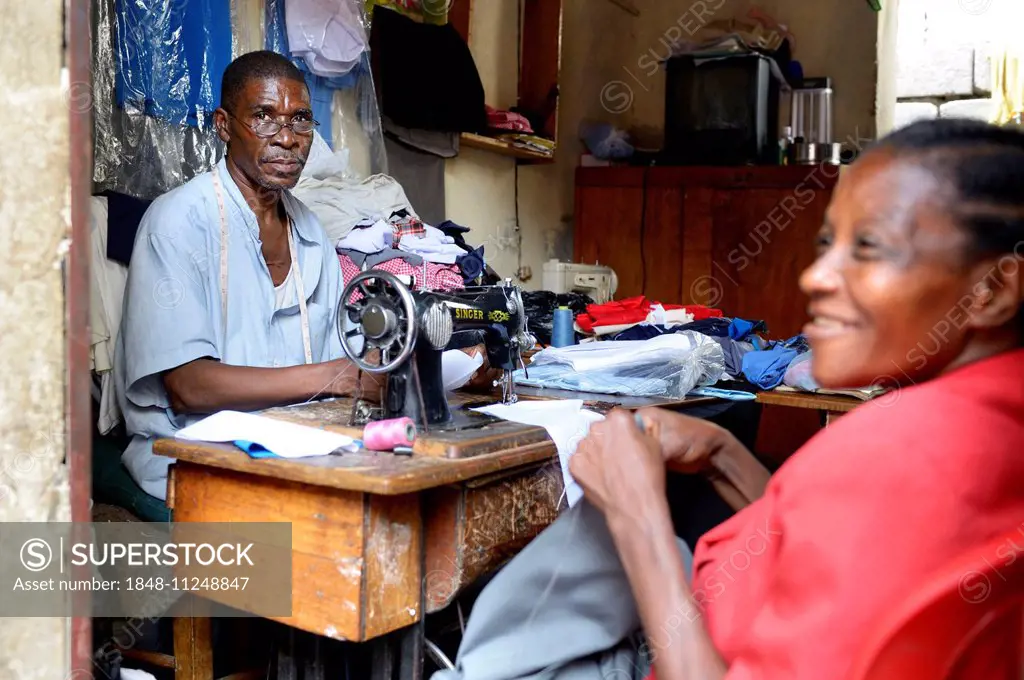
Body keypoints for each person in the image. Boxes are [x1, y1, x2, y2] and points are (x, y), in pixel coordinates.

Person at [432, 119, 1024, 680]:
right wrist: (721, 454)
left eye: (867, 248)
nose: (816, 277)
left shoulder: (906, 449)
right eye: (827, 244)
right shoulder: (988, 421)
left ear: (993, 288)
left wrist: (636, 514)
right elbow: (822, 554)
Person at [114, 51, 486, 505]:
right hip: (194, 451)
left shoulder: (309, 230)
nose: (288, 139)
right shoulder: (178, 222)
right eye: (264, 118)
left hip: (299, 441)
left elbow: (347, 351)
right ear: (224, 126)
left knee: (438, 482)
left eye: (301, 120)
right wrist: (341, 377)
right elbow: (189, 386)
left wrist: (433, 357)